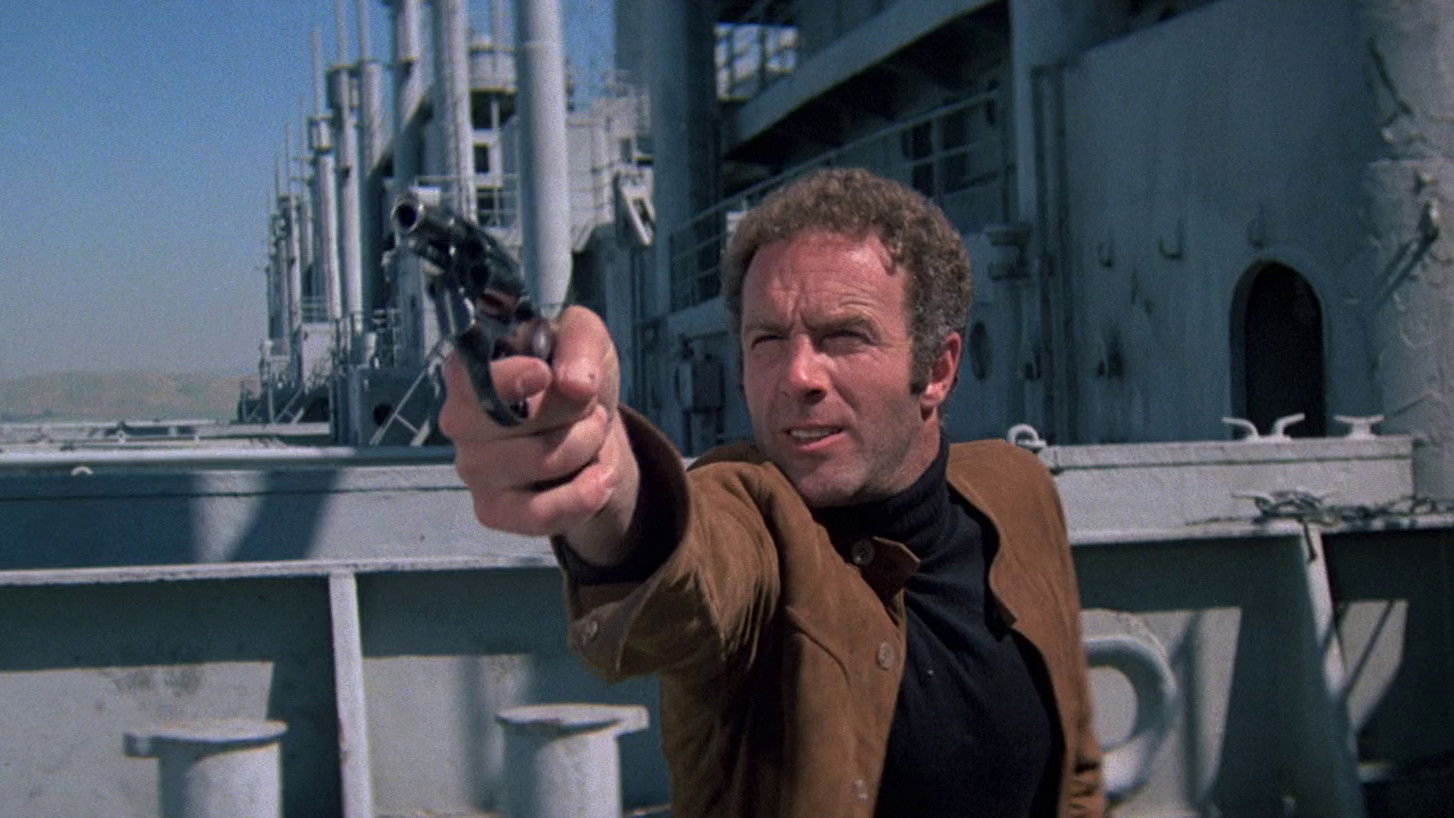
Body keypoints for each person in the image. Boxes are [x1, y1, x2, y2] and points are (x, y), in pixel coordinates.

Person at [440, 168, 1105, 817]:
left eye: (844, 337)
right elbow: (693, 569)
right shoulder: (754, 516)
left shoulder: (1017, 491)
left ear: (937, 369)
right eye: (767, 340)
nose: (796, 375)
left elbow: (1076, 766)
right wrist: (599, 459)